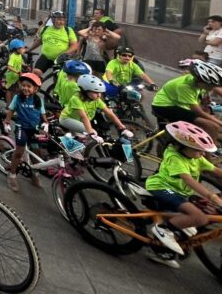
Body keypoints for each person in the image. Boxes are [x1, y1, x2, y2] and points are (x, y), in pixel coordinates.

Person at [144, 121, 222, 268]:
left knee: (197, 219)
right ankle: (163, 229)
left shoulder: (194, 156)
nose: (203, 154)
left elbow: (215, 171)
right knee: (198, 217)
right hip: (161, 187)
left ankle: (159, 249)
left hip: (178, 191)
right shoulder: (175, 157)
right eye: (199, 150)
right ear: (182, 146)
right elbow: (189, 180)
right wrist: (213, 197)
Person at [151, 60, 222, 140]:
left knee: (211, 119)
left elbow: (210, 95)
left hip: (178, 103)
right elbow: (198, 112)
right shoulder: (185, 86)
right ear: (200, 81)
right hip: (164, 106)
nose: (211, 88)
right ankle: (207, 150)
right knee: (212, 126)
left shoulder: (199, 82)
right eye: (209, 86)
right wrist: (219, 122)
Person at [3, 73, 48, 192]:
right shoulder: (17, 98)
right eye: (23, 85)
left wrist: (45, 123)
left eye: (29, 86)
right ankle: (12, 174)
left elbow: (42, 113)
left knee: (36, 152)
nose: (25, 88)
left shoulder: (38, 100)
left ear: (36, 89)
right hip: (21, 128)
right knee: (19, 151)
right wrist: (7, 122)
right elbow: (11, 111)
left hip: (33, 130)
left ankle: (34, 173)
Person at [59, 74, 133, 141]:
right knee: (92, 133)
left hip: (80, 120)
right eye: (95, 92)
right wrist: (91, 133)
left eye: (100, 92)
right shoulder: (76, 99)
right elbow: (84, 117)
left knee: (88, 133)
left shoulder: (96, 100)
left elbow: (110, 114)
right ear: (85, 91)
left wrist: (122, 127)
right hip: (67, 119)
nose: (99, 95)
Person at [29, 11, 78, 77]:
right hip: (46, 57)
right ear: (52, 20)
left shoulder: (68, 30)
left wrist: (64, 54)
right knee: (35, 73)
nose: (61, 22)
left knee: (59, 78)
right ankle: (37, 86)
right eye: (59, 20)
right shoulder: (45, 29)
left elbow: (74, 45)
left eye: (63, 20)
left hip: (60, 59)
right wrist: (29, 49)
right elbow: (39, 41)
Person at [4, 39, 27, 104]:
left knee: (15, 90)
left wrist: (25, 65)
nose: (24, 50)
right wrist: (17, 72)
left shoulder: (19, 55)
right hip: (11, 77)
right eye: (22, 48)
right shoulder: (13, 56)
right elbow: (9, 66)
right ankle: (8, 105)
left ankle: (13, 103)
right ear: (16, 49)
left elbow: (20, 61)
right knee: (9, 91)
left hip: (16, 76)